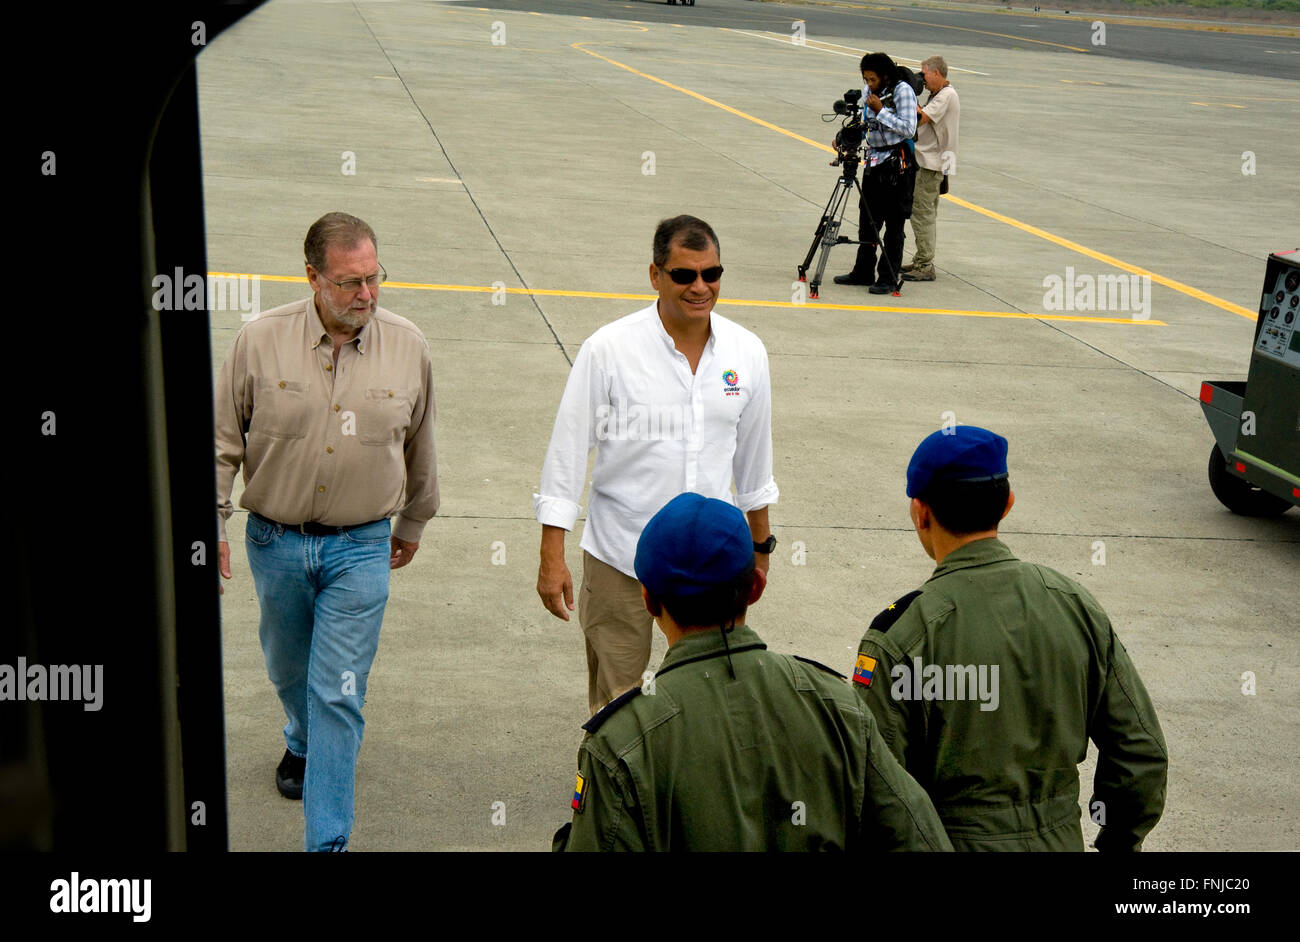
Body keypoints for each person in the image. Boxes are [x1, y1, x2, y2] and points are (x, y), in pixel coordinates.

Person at [552, 493, 953, 852]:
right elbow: (917, 834)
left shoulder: (622, 742)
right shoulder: (836, 705)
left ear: (649, 600)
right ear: (756, 588)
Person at [214, 212, 439, 852]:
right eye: (348, 283)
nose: (366, 296)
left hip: (361, 545)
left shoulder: (408, 344)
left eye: (374, 279)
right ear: (312, 277)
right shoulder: (259, 340)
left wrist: (415, 518)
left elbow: (422, 443)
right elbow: (221, 442)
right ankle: (300, 738)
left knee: (338, 690)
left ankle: (328, 842)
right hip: (276, 542)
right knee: (290, 670)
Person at [852, 427, 1168, 852]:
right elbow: (1141, 752)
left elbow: (876, 789)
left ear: (920, 512)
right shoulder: (1074, 604)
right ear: (1007, 503)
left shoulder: (904, 633)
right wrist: (1119, 841)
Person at [534, 215, 778, 716]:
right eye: (684, 275)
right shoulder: (609, 350)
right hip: (620, 555)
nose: (700, 287)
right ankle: (613, 792)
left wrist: (760, 545)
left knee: (709, 696)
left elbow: (755, 461)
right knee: (618, 704)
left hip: (710, 561)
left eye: (712, 274)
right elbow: (566, 451)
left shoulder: (747, 352)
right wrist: (551, 553)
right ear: (655, 275)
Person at [834, 53, 918, 294]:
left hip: (897, 163)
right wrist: (845, 138)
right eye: (865, 79)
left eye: (872, 79)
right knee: (867, 219)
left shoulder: (902, 91)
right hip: (874, 159)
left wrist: (881, 110)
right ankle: (863, 270)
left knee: (893, 224)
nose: (868, 84)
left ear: (884, 76)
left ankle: (888, 277)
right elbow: (864, 123)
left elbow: (909, 128)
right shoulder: (868, 92)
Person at [904, 56, 960, 283]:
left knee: (922, 213)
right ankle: (920, 259)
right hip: (930, 161)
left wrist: (907, 97)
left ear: (936, 73)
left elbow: (919, 119)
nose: (922, 79)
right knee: (923, 212)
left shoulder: (947, 95)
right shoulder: (937, 94)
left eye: (924, 74)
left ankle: (925, 264)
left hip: (930, 163)